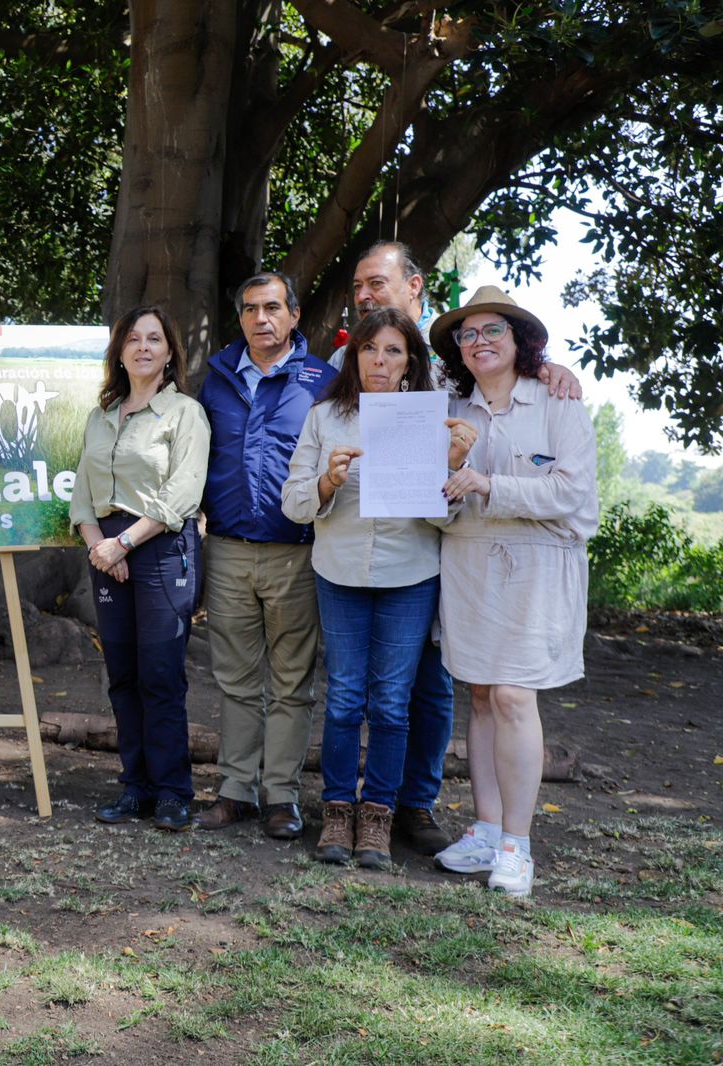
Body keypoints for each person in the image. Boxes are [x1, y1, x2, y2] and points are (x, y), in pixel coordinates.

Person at [330, 240, 583, 856]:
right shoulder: (362, 360)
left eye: (378, 283)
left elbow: (527, 426)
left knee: (435, 687)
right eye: (359, 285)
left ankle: (416, 805)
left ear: (414, 287)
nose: (366, 294)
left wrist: (551, 369)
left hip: (448, 555)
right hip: (433, 545)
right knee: (452, 687)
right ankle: (391, 808)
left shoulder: (461, 369)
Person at [281, 308, 478, 867]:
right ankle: (337, 810)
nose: (380, 361)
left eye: (394, 351)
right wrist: (326, 481)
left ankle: (378, 817)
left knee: (392, 704)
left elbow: (448, 524)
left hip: (409, 576)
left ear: (411, 361)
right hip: (339, 571)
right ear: (353, 356)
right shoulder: (324, 418)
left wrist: (451, 466)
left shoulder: (432, 423)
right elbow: (294, 506)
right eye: (370, 349)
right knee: (344, 697)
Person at [427, 286, 597, 897]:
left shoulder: (558, 401)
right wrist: (447, 474)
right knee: (478, 696)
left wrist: (488, 484)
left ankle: (517, 848)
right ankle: (486, 829)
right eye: (467, 335)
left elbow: (570, 494)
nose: (479, 342)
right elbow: (433, 506)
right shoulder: (451, 410)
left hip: (539, 568)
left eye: (492, 330)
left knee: (513, 697)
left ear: (520, 340)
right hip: (469, 563)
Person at [194, 273, 337, 840]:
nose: (261, 319)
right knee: (233, 678)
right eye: (250, 309)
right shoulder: (216, 378)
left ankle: (281, 796)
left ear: (294, 315)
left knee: (291, 682)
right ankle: (235, 791)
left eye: (272, 307)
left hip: (297, 553)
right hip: (227, 549)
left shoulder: (323, 382)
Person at [69, 306, 211, 832]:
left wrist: (124, 544)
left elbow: (183, 492)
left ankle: (173, 791)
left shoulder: (184, 414)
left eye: (154, 339)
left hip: (159, 550)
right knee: (122, 676)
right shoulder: (101, 416)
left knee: (159, 677)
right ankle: (135, 788)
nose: (143, 347)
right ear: (120, 352)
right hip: (106, 550)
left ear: (171, 352)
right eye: (133, 339)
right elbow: (82, 496)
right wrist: (101, 548)